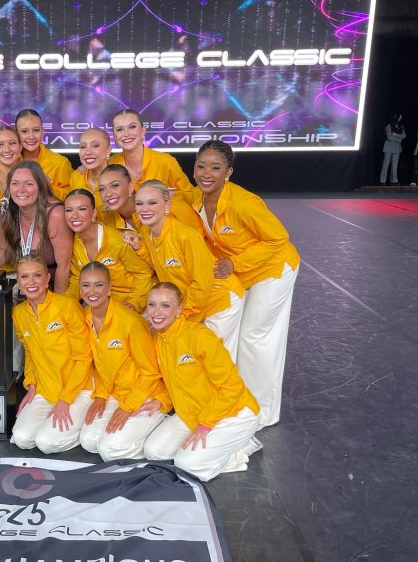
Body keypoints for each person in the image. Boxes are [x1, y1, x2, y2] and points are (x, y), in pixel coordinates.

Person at [186, 140, 299, 427]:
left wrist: (235, 263)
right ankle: (236, 401)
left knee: (256, 336)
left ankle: (261, 412)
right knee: (238, 335)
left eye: (215, 167)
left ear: (229, 172)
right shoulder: (195, 199)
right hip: (241, 273)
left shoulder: (243, 202)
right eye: (201, 166)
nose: (206, 173)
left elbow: (278, 238)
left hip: (273, 268)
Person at [143, 282, 262, 481]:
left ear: (179, 309)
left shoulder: (199, 336)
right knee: (153, 452)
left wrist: (205, 425)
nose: (157, 312)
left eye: (165, 305)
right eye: (151, 305)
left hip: (232, 412)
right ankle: (214, 449)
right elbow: (169, 379)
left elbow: (232, 387)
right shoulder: (158, 339)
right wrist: (161, 400)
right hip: (193, 412)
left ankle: (240, 450)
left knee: (187, 466)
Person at [133, 180, 246, 360]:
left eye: (152, 203)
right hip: (192, 303)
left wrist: (182, 313)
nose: (144, 208)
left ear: (167, 205)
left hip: (219, 298)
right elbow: (161, 264)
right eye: (139, 203)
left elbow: (202, 282)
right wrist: (139, 247)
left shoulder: (185, 235)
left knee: (216, 360)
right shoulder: (148, 234)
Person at [78, 263, 169, 460]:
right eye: (86, 285)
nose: (92, 292)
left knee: (109, 450)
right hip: (115, 392)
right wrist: (101, 395)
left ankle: (158, 426)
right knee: (88, 441)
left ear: (110, 288)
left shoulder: (131, 323)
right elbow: (96, 364)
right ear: (79, 289)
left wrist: (128, 407)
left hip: (144, 394)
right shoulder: (83, 319)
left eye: (99, 285)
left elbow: (151, 373)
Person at [10, 255, 93, 453]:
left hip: (78, 389)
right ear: (18, 283)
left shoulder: (67, 306)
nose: (31, 282)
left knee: (46, 443)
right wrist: (32, 385)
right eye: (25, 277)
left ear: (48, 279)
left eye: (37, 275)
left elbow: (84, 358)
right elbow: (29, 352)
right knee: (21, 438)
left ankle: (84, 426)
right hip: (46, 390)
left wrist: (65, 400)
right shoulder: (19, 313)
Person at [62, 188, 154, 311]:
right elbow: (77, 278)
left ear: (94, 213)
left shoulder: (116, 241)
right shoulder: (73, 242)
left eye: (82, 209)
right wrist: (64, 301)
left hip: (131, 302)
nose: (74, 215)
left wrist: (134, 302)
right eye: (69, 210)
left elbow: (144, 274)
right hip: (99, 303)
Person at [0, 160, 72, 292]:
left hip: (51, 287)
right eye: (15, 184)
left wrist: (56, 305)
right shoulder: (7, 211)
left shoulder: (55, 214)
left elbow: (65, 266)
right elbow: (2, 248)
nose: (21, 190)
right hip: (25, 284)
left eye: (28, 184)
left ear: (40, 186)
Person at [108, 109, 194, 193]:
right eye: (119, 129)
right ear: (114, 136)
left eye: (132, 127)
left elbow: (190, 196)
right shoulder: (110, 164)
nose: (126, 134)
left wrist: (169, 197)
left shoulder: (165, 162)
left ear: (142, 131)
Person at [14, 109, 72, 200]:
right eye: (24, 131)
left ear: (43, 132)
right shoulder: (10, 160)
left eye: (36, 130)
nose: (31, 136)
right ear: (16, 133)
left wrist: (47, 186)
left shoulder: (60, 163)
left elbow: (72, 197)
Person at [70, 128, 111, 209]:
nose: (88, 152)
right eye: (83, 147)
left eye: (95, 146)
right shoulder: (76, 177)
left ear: (108, 150)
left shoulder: (119, 177)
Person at [0, 126, 21, 193]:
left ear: (20, 147)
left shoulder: (34, 178)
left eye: (12, 143)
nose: (7, 150)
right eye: (0, 144)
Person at [379, 112, 405, 186]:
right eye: (400, 116)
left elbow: (404, 136)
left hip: (397, 149)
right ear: (396, 117)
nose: (401, 117)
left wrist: (395, 134)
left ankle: (394, 180)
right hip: (388, 148)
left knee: (395, 165)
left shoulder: (401, 126)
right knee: (385, 164)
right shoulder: (388, 126)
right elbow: (389, 137)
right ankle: (382, 181)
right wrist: (399, 139)